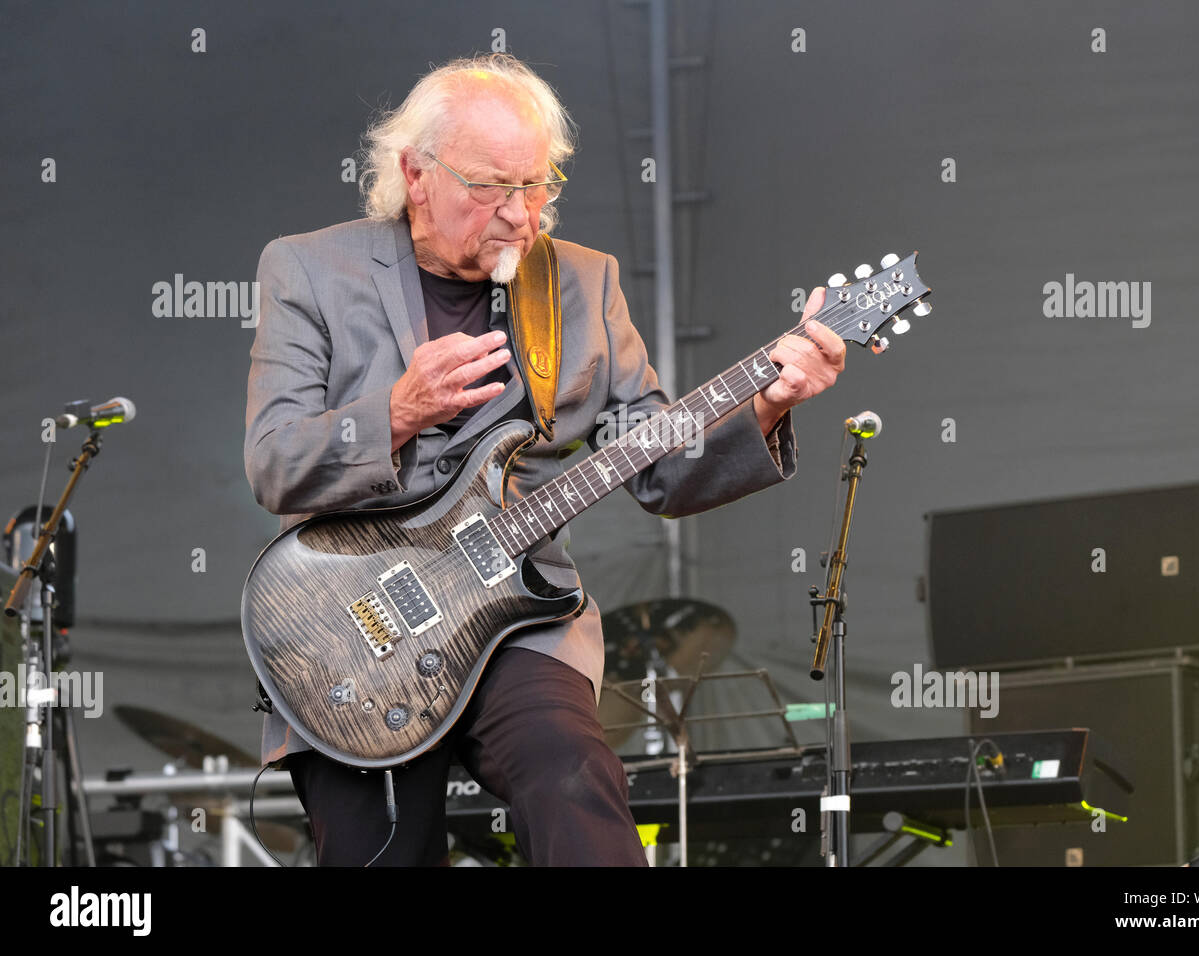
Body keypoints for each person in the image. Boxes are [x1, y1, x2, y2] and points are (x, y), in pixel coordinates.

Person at [243, 53, 845, 866]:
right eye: (490, 186)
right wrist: (395, 413)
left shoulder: (579, 283)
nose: (519, 215)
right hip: (348, 626)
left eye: (538, 186)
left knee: (573, 775)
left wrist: (772, 399)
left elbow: (661, 467)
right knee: (379, 846)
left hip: (517, 614)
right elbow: (275, 463)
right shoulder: (309, 269)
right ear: (415, 173)